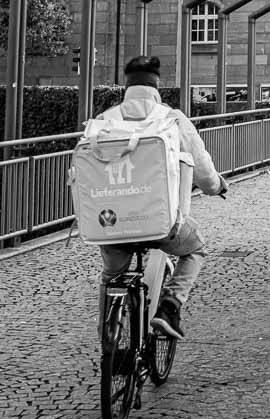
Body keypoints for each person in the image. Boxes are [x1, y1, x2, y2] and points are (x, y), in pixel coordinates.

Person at [84, 55, 225, 340]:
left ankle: (108, 337)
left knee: (111, 277)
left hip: (111, 224)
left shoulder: (104, 121)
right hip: (162, 225)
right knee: (195, 250)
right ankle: (170, 307)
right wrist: (217, 186)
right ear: (156, 85)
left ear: (127, 85)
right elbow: (202, 167)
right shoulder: (171, 119)